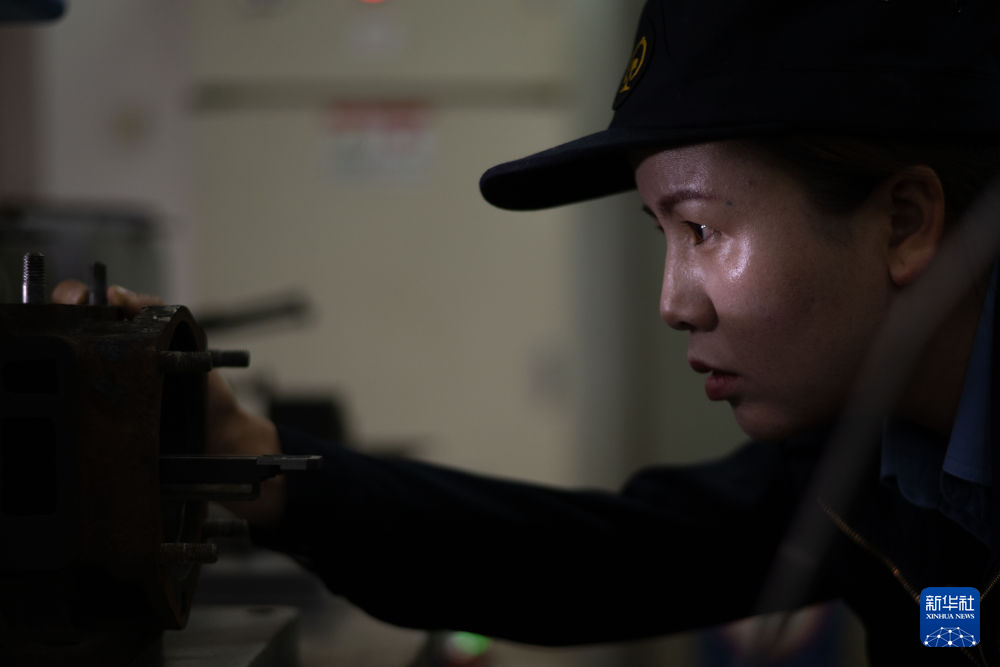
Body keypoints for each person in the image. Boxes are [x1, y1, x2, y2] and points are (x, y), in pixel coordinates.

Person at [54, 0, 1000, 664]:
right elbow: (603, 560)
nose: (675, 302)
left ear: (904, 221)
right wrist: (241, 452)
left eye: (704, 230)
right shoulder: (869, 468)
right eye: (662, 235)